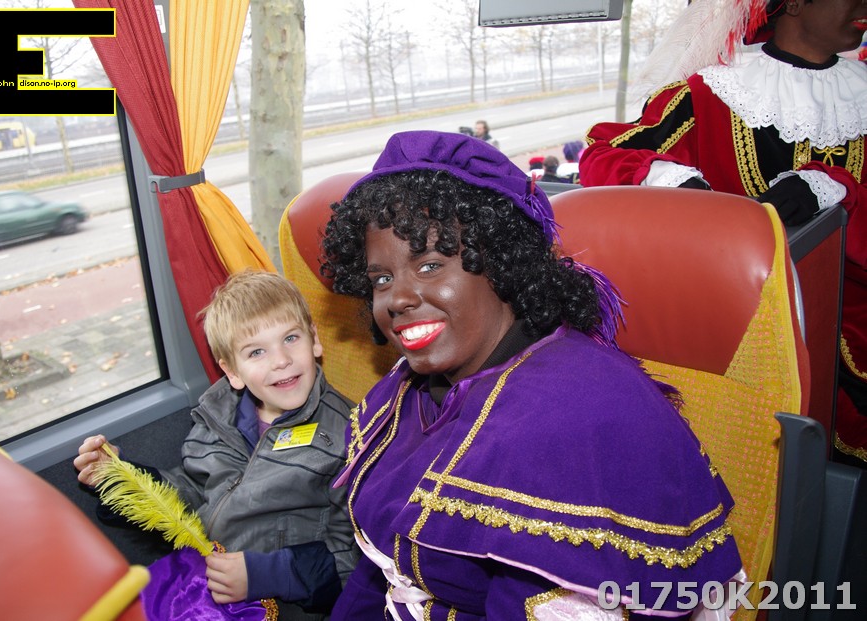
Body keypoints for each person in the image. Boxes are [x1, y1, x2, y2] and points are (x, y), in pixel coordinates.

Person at [320, 130, 744, 619]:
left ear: (502, 264)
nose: (397, 298)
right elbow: (379, 575)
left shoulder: (576, 415)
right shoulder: (410, 388)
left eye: (431, 265)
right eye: (381, 278)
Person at [580, 0, 867, 468]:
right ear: (795, 3)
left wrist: (839, 189)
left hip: (849, 333)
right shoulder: (710, 94)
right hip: (735, 329)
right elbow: (604, 154)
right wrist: (668, 178)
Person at [74, 269, 359, 620]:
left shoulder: (350, 434)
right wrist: (123, 480)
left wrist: (267, 575)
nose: (281, 360)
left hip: (285, 602)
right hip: (202, 583)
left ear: (314, 339)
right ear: (232, 371)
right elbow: (193, 492)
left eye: (290, 338)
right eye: (256, 352)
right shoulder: (217, 418)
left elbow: (358, 555)